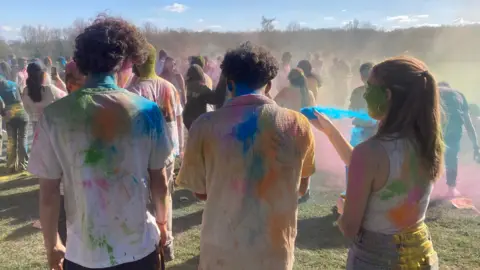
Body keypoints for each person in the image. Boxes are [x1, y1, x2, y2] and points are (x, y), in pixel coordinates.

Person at [28, 16, 173, 270]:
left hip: (83, 253)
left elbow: (49, 193)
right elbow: (159, 183)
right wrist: (164, 226)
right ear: (125, 62)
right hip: (138, 248)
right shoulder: (147, 112)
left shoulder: (55, 115)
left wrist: (52, 245)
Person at [176, 42, 315, 270]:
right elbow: (301, 188)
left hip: (221, 250)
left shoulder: (204, 126)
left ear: (229, 83)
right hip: (274, 251)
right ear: (269, 85)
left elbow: (200, 192)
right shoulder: (298, 124)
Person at [310, 56, 442, 269]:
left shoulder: (371, 152)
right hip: (421, 256)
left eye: (369, 87)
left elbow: (349, 228)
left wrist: (343, 208)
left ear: (388, 95)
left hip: (378, 259)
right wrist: (330, 130)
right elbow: (370, 166)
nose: (365, 93)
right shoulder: (426, 142)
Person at [128, 43, 184, 261]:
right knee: (165, 197)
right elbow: (178, 119)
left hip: (144, 155)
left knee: (146, 200)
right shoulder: (169, 87)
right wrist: (179, 148)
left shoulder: (134, 91)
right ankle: (166, 244)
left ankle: (150, 247)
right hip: (169, 151)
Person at [438, 82, 479, 197]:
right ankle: (451, 188)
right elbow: (468, 123)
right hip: (454, 126)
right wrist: (476, 145)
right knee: (452, 154)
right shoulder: (458, 94)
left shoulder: (434, 91)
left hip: (437, 125)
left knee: (432, 153)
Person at [22, 62, 67, 132]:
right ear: (42, 74)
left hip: (36, 126)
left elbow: (26, 109)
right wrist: (58, 79)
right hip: (51, 125)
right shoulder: (49, 89)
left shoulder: (25, 91)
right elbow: (66, 95)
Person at [182, 64, 225, 129]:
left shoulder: (189, 85)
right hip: (197, 120)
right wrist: (222, 79)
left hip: (187, 118)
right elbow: (216, 98)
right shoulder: (199, 87)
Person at [0, 77, 28, 173]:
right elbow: (21, 95)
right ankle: (22, 165)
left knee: (12, 140)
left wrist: (2, 113)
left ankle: (11, 165)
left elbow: (1, 103)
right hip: (21, 111)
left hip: (9, 113)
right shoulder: (13, 83)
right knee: (22, 138)